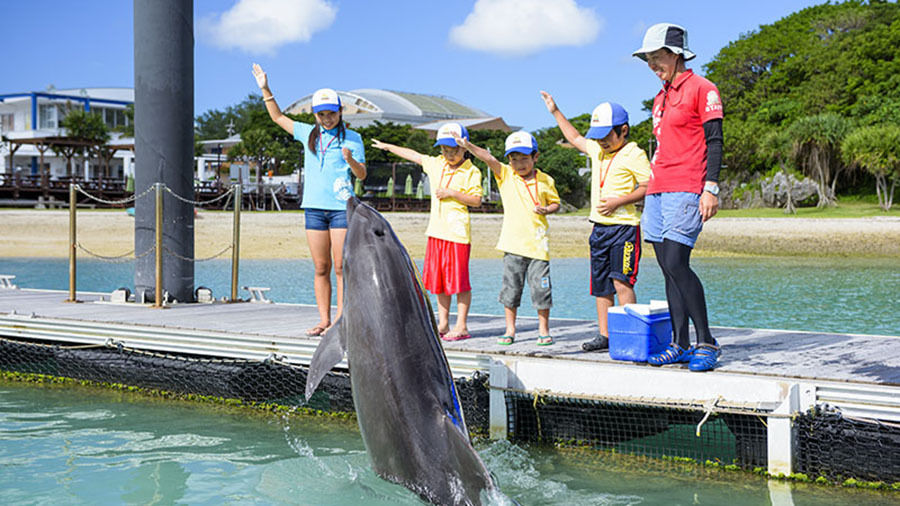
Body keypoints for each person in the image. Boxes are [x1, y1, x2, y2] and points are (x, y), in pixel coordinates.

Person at [632, 23, 724, 371]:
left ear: (676, 54)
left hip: (688, 185)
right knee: (667, 270)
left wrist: (710, 187)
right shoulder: (661, 96)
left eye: (658, 57)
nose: (654, 65)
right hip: (657, 189)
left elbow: (715, 141)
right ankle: (679, 343)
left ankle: (707, 341)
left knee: (676, 262)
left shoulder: (703, 88)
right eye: (649, 60)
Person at [252, 63, 367, 337]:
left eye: (331, 113)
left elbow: (361, 175)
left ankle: (341, 321)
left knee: (341, 267)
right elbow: (278, 117)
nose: (327, 119)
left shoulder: (353, 138)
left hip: (342, 208)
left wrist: (351, 160)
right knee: (321, 267)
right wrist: (265, 88)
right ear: (315, 115)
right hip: (314, 208)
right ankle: (324, 320)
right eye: (321, 114)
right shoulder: (308, 134)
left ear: (341, 111)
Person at [541, 94, 651, 352]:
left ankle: (628, 334)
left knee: (621, 282)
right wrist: (555, 111)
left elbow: (648, 185)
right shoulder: (597, 150)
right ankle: (605, 335)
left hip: (624, 229)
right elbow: (575, 138)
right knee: (601, 285)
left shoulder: (634, 153)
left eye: (606, 135)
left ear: (623, 130)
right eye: (598, 135)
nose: (601, 140)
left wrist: (619, 201)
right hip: (599, 229)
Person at [370, 124, 482, 341]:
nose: (449, 154)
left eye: (454, 149)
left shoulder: (472, 171)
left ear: (464, 148)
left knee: (459, 282)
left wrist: (452, 193)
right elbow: (413, 155)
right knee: (439, 282)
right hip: (436, 232)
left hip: (457, 234)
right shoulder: (437, 163)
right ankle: (443, 323)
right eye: (445, 149)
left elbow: (476, 200)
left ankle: (462, 326)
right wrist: (388, 146)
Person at [454, 131, 560, 346]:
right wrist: (468, 146)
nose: (519, 163)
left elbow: (556, 203)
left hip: (539, 246)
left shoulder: (546, 179)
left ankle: (543, 329)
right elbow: (489, 158)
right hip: (512, 245)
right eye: (514, 159)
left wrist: (547, 209)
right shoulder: (506, 175)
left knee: (541, 290)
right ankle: (510, 329)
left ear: (535, 157)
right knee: (511, 290)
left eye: (524, 158)